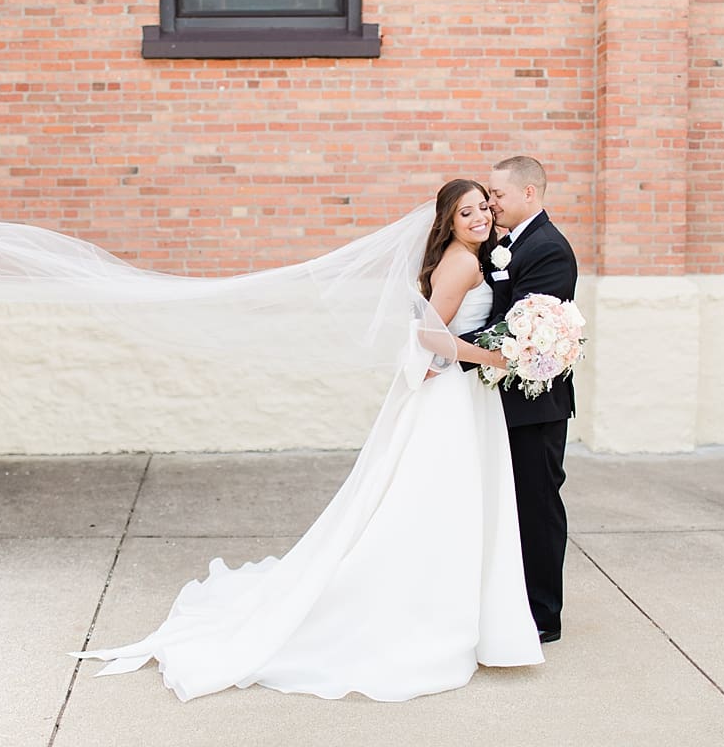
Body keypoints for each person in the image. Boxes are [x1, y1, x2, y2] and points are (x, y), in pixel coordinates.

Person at [70, 179, 544, 700]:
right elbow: (431, 336)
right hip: (453, 394)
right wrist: (497, 357)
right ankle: (426, 610)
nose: (479, 216)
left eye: (482, 207)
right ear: (448, 222)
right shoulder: (463, 261)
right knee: (435, 502)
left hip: (457, 393)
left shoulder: (474, 255)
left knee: (434, 499)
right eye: (465, 211)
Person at [449, 156, 578, 644]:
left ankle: (543, 616)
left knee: (538, 505)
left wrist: (450, 351)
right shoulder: (502, 245)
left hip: (534, 406)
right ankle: (510, 598)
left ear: (529, 194)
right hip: (501, 401)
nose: (490, 204)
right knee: (510, 504)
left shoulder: (548, 250)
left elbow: (520, 333)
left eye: (497, 196)